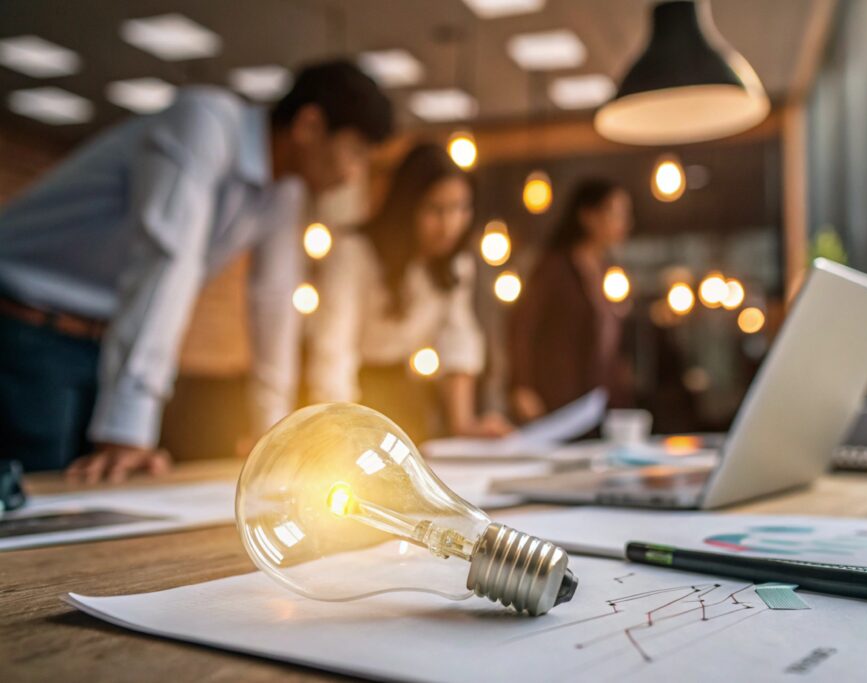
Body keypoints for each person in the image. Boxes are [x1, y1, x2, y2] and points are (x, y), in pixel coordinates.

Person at [0, 60, 393, 480]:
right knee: (36, 508)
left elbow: (275, 306)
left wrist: (274, 441)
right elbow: (168, 263)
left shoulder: (284, 192)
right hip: (23, 323)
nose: (355, 174)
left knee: (85, 502)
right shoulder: (202, 123)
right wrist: (129, 430)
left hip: (101, 339)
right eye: (356, 152)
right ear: (310, 125)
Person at [309, 142, 510, 443]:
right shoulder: (354, 253)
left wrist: (464, 423)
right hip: (352, 396)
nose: (449, 225)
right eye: (435, 209)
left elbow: (458, 338)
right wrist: (342, 435)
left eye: (460, 208)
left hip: (407, 395)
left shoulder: (456, 264)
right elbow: (334, 350)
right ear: (407, 206)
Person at [509, 179, 633, 422]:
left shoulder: (609, 271)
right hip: (558, 397)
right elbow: (522, 326)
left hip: (599, 400)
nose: (625, 223)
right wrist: (521, 385)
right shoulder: (554, 268)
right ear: (588, 216)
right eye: (615, 213)